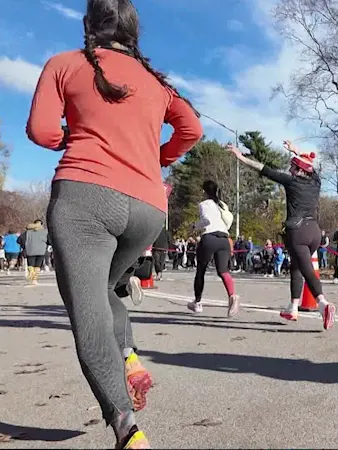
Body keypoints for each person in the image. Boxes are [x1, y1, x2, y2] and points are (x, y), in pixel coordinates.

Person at [25, 0, 203, 447]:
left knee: (87, 313)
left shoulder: (63, 65)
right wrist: (156, 159)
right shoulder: (158, 83)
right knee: (103, 290)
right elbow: (192, 130)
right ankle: (128, 355)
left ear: (89, 26)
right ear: (133, 31)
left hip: (85, 199)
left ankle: (126, 428)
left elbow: (41, 131)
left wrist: (75, 137)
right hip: (147, 208)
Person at [228, 141, 336, 330]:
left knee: (307, 270)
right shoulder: (316, 182)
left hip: (298, 232)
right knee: (296, 267)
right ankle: (293, 307)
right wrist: (297, 151)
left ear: (298, 170)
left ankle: (323, 304)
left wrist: (242, 158)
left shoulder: (291, 182)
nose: (290, 169)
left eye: (292, 167)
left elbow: (265, 169)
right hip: (314, 232)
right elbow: (311, 166)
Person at [187, 180, 239, 316]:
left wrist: (194, 226)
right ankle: (233, 296)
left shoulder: (204, 204)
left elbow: (206, 221)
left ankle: (197, 303)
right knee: (223, 271)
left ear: (204, 191)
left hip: (209, 238)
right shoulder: (221, 204)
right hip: (224, 239)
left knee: (201, 270)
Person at [17, 219, 49, 286]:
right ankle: (34, 280)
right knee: (37, 266)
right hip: (41, 250)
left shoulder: (27, 232)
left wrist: (24, 246)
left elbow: (19, 240)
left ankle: (31, 276)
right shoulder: (45, 232)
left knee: (31, 265)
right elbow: (49, 241)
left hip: (30, 250)